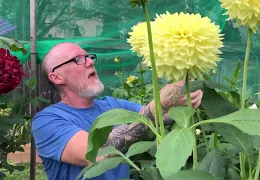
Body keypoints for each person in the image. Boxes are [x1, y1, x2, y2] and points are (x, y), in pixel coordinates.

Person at [31, 42, 203, 180]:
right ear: (56, 77)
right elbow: (94, 152)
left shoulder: (112, 105)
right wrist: (161, 102)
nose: (90, 61)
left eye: (88, 57)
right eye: (78, 59)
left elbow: (158, 118)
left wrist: (184, 96)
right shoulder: (46, 121)